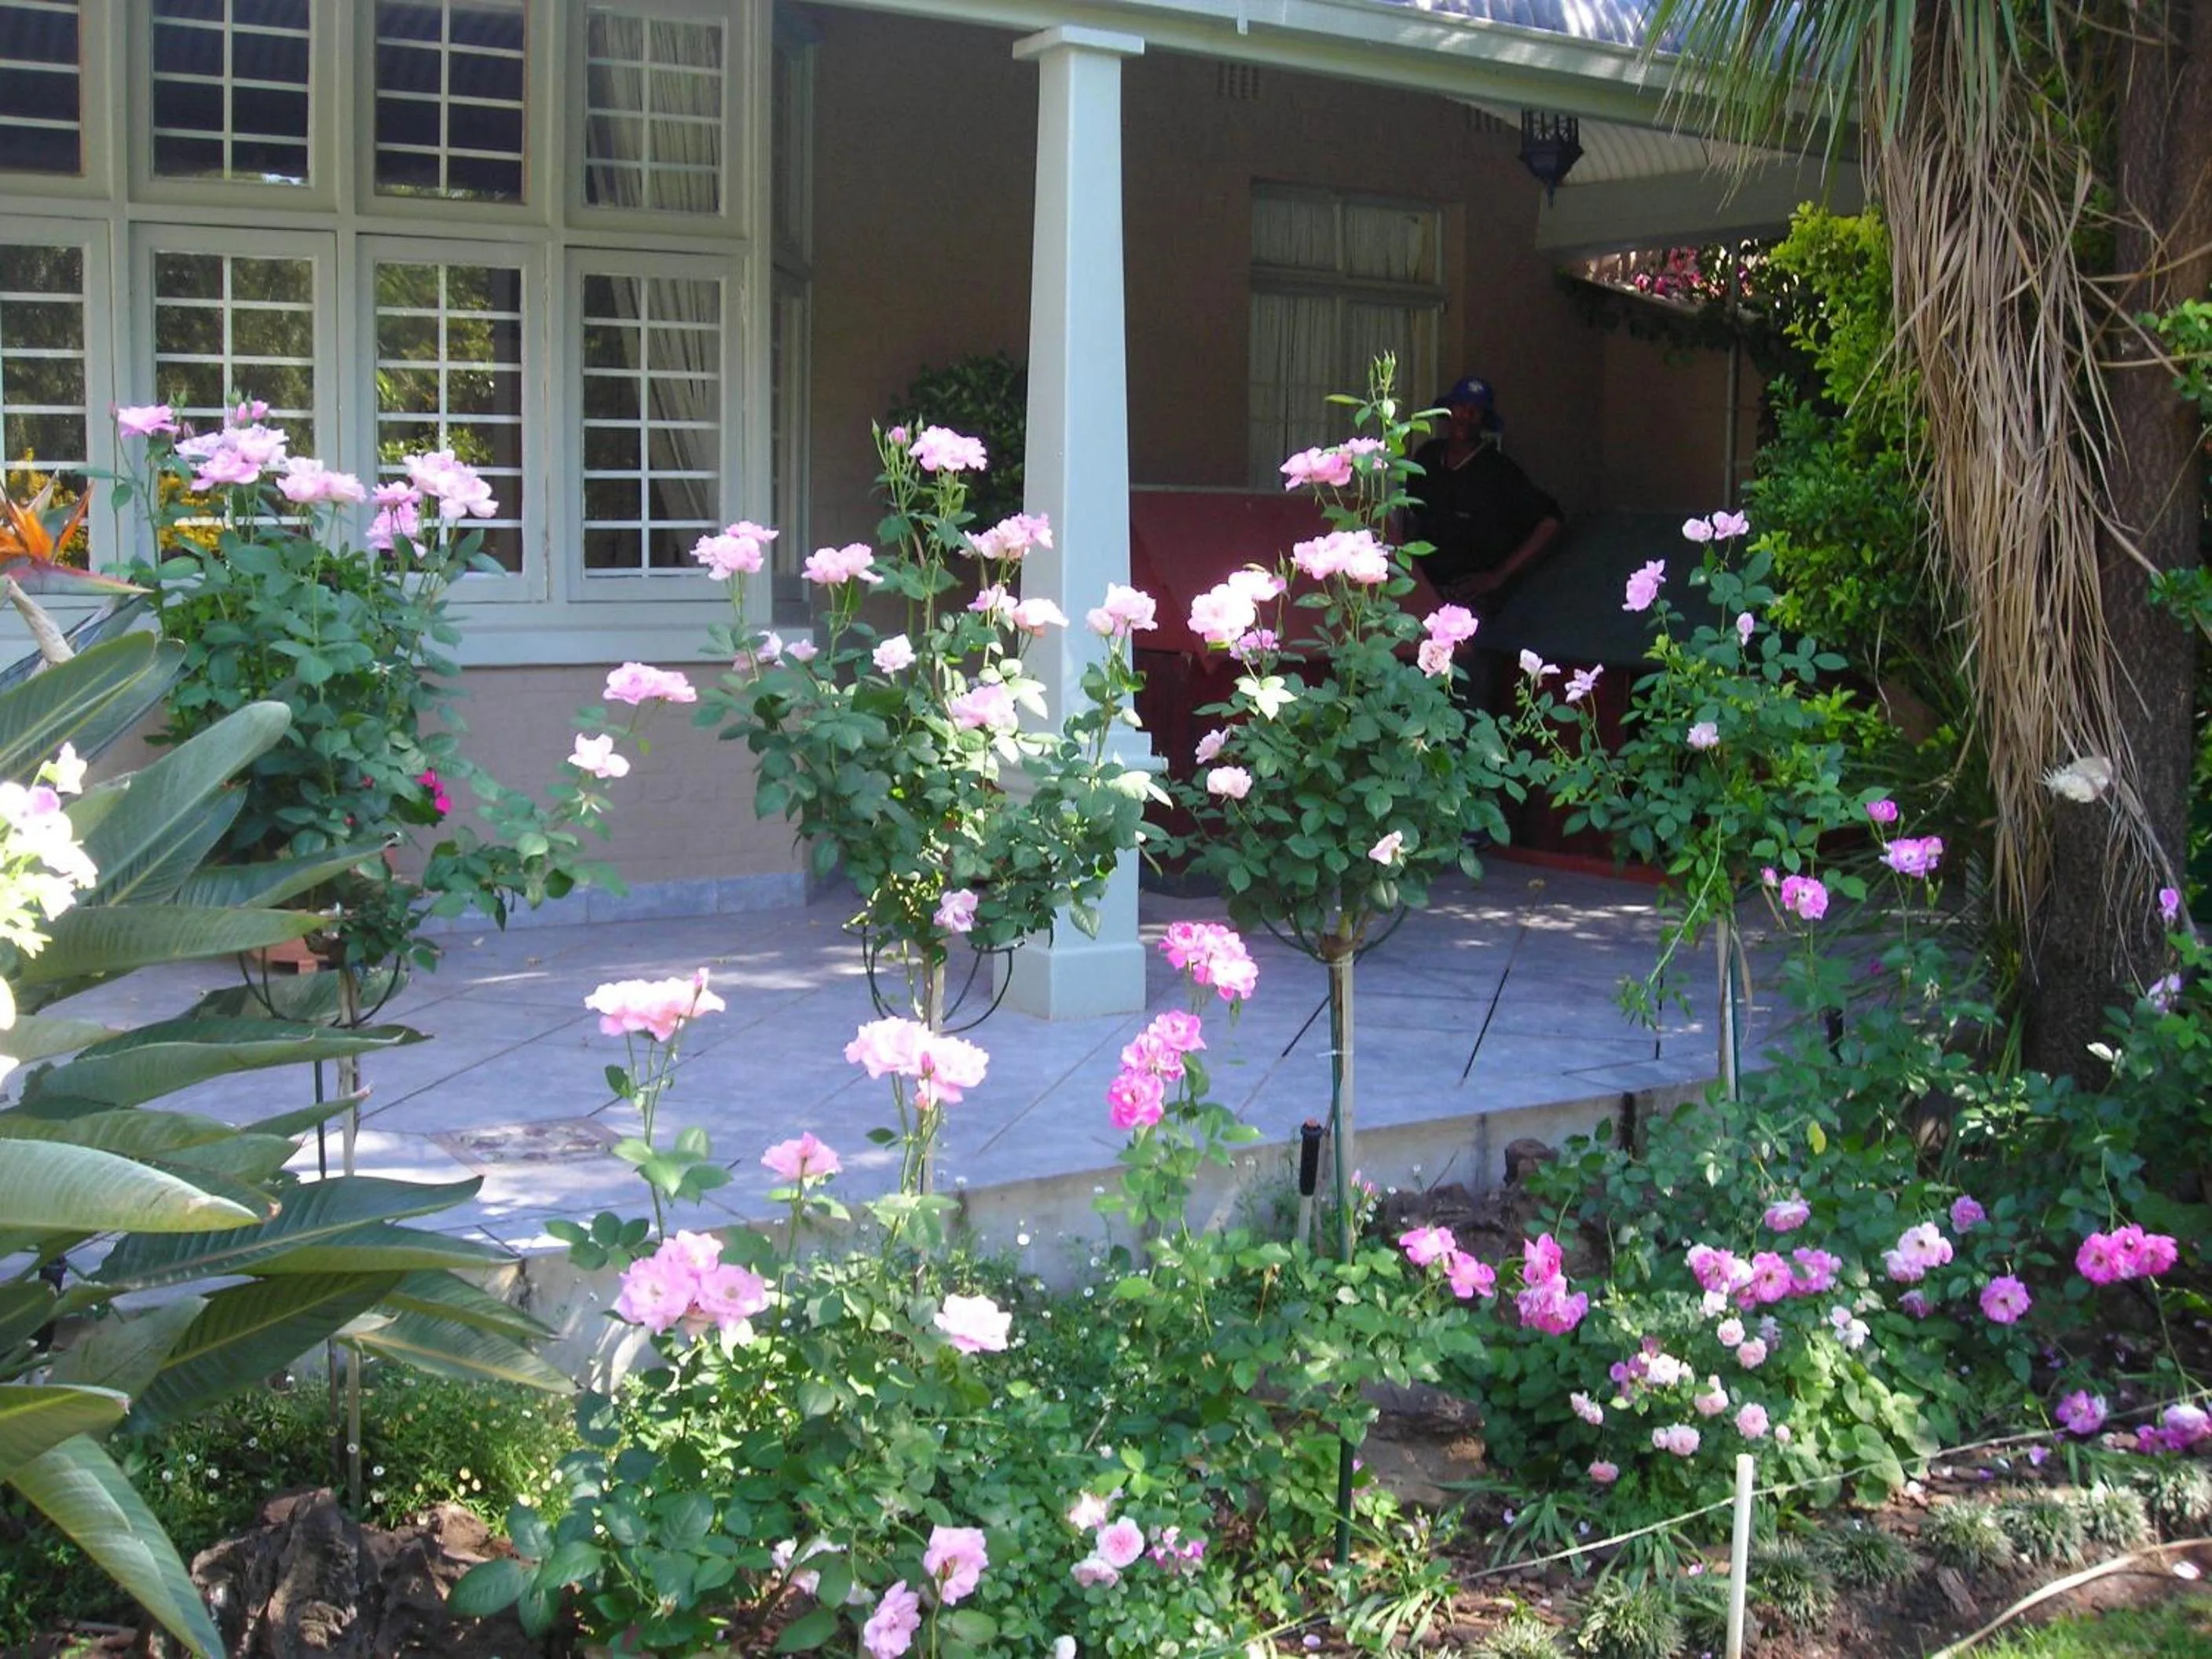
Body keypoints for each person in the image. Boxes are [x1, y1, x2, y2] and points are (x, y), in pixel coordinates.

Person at [1404, 376, 1563, 613]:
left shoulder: (1499, 470)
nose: (1466, 416)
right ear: (1449, 411)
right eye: (1460, 407)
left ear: (1484, 420)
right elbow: (1413, 517)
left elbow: (1551, 522)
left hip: (1471, 601)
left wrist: (1499, 575)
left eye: (1475, 411)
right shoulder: (1427, 456)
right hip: (1425, 590)